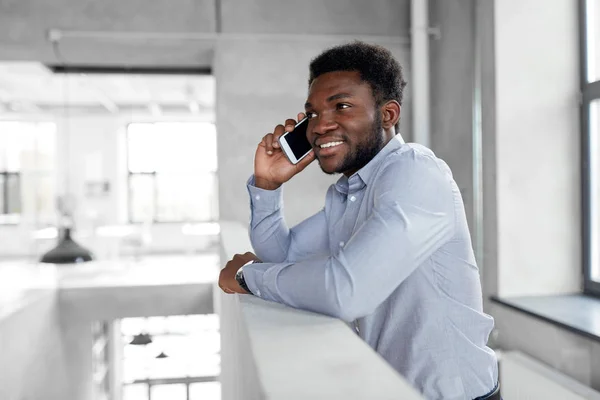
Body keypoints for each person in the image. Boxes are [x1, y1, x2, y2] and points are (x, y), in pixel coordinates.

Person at [219, 41, 499, 400]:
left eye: (342, 106)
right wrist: (268, 185)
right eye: (314, 113)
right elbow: (282, 254)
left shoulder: (416, 174)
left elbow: (344, 292)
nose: (321, 126)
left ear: (388, 114)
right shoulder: (349, 191)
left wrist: (247, 277)